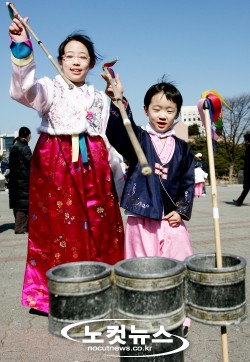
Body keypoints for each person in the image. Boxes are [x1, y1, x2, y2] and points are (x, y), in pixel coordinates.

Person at [8, 14, 124, 314]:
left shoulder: (99, 97)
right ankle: (56, 295)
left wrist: (119, 100)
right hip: (56, 166)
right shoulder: (50, 88)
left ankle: (101, 290)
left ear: (91, 64)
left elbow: (111, 139)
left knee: (101, 228)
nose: (76, 61)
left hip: (95, 169)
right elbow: (24, 91)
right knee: (60, 230)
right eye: (69, 56)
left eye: (82, 57)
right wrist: (21, 46)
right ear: (59, 60)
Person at [103, 74, 195, 336]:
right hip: (141, 218)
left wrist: (181, 210)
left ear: (177, 113)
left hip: (171, 220)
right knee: (139, 268)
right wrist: (117, 99)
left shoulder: (183, 149)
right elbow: (120, 130)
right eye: (156, 109)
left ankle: (178, 317)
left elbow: (188, 182)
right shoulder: (139, 139)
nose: (162, 115)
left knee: (179, 264)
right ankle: (139, 319)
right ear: (146, 110)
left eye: (169, 110)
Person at [8, 129, 32, 233]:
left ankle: (19, 226)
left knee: (18, 204)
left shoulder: (14, 147)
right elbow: (31, 162)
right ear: (28, 136)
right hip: (23, 180)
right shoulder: (25, 147)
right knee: (24, 205)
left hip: (14, 179)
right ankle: (20, 228)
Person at [233, 133, 250, 206]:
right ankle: (239, 201)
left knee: (246, 187)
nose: (244, 141)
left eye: (245, 139)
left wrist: (246, 171)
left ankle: (239, 201)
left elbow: (248, 160)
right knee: (246, 188)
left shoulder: (249, 147)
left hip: (249, 170)